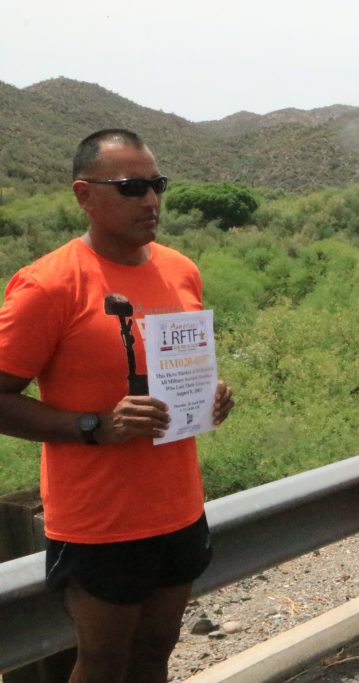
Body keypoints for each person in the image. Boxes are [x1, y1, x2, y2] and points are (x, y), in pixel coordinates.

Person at [0, 129, 234, 682]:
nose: (150, 200)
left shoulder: (180, 269)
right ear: (84, 195)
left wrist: (209, 397)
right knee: (103, 666)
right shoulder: (48, 285)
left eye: (157, 185)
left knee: (155, 656)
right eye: (131, 187)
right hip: (99, 521)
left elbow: (177, 371)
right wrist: (93, 426)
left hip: (179, 507)